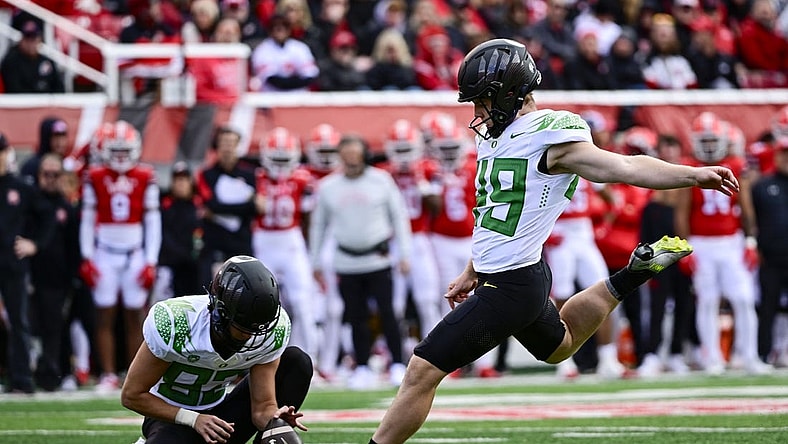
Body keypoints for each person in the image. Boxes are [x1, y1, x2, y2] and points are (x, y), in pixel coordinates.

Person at [368, 38, 739, 444]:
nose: (476, 114)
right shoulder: (495, 134)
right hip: (520, 274)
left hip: (510, 285)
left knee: (423, 370)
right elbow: (495, 210)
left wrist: (692, 174)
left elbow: (624, 166)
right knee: (560, 345)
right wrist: (473, 266)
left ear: (510, 94)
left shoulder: (551, 139)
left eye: (483, 101)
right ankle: (632, 275)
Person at [121, 255, 313, 444]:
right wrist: (193, 419)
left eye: (256, 328)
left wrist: (274, 420)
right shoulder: (177, 322)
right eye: (243, 326)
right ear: (220, 311)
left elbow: (262, 408)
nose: (251, 336)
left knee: (296, 362)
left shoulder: (272, 329)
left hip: (222, 418)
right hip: (172, 417)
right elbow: (132, 395)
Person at [309, 134, 412, 390]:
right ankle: (362, 365)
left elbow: (398, 216)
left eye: (355, 154)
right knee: (356, 316)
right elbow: (318, 225)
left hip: (378, 257)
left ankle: (397, 363)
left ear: (364, 154)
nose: (352, 160)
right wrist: (315, 261)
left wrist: (405, 253)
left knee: (389, 312)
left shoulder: (381, 180)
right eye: (347, 154)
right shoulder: (328, 186)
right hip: (346, 260)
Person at [675, 111, 771, 376]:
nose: (707, 146)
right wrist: (685, 247)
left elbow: (746, 208)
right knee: (707, 300)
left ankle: (748, 356)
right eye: (702, 141)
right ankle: (712, 358)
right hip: (702, 243)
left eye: (711, 140)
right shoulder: (689, 166)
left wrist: (750, 241)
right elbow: (682, 212)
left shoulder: (736, 164)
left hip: (731, 241)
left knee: (743, 298)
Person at [79, 121, 162, 391]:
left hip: (134, 252)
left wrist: (150, 260)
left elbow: (152, 221)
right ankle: (107, 374)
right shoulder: (95, 175)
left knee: (135, 315)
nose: (121, 156)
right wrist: (88, 256)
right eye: (116, 150)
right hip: (105, 251)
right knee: (104, 314)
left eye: (125, 150)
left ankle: (135, 374)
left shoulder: (145, 176)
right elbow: (88, 219)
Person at [253, 127, 319, 365]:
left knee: (303, 302)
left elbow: (310, 218)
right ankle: (262, 360)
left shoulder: (302, 179)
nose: (280, 165)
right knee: (264, 304)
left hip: (291, 239)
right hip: (264, 240)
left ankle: (310, 359)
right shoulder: (256, 177)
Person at [0, 132, 55, 393]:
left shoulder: (20, 187)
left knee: (18, 321)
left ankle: (21, 378)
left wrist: (34, 244)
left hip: (12, 264)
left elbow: (47, 217)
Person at [29, 154, 80, 391]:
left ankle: (55, 374)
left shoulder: (66, 208)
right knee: (27, 327)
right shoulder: (29, 203)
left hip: (56, 279)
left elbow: (73, 247)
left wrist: (72, 278)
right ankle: (26, 372)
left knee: (56, 328)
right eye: (46, 174)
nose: (50, 179)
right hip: (28, 277)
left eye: (55, 174)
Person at [195, 125, 261, 287]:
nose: (227, 148)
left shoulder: (249, 174)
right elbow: (211, 204)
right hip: (214, 244)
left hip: (241, 243)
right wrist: (243, 206)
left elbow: (255, 208)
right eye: (224, 143)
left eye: (231, 143)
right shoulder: (206, 174)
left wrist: (219, 210)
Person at [750, 137, 788, 366]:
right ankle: (763, 354)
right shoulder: (763, 186)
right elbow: (752, 219)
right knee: (767, 307)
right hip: (770, 257)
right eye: (783, 153)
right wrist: (752, 244)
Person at [0, 20, 65, 94]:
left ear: (40, 40)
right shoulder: (11, 60)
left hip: (46, 103)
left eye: (34, 39)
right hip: (21, 104)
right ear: (21, 40)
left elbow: (59, 88)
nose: (30, 43)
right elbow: (14, 90)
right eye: (27, 39)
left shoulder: (46, 60)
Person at [20, 117, 70, 185]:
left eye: (63, 137)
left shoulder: (68, 165)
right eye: (56, 137)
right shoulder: (31, 166)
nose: (61, 142)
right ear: (46, 138)